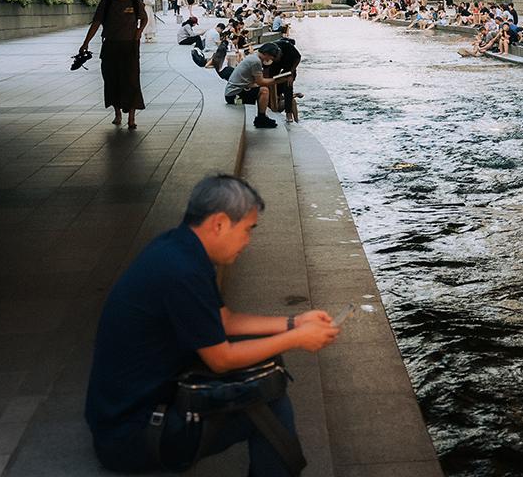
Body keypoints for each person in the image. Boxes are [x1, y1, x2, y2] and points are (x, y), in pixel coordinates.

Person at [85, 175, 339, 475]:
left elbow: (225, 320)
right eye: (246, 231)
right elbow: (221, 359)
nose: (248, 242)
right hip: (130, 436)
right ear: (219, 223)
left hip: (127, 415)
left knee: (263, 363)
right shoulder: (182, 271)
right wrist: (297, 338)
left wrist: (293, 322)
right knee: (269, 406)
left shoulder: (178, 247)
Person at [80, 0, 147, 129]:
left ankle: (131, 117)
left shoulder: (134, 1)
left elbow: (144, 18)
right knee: (112, 80)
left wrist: (139, 31)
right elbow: (96, 23)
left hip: (130, 46)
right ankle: (117, 113)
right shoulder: (106, 3)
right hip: (110, 46)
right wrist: (86, 43)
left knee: (131, 81)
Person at [225, 43, 284, 129]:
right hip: (234, 95)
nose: (271, 59)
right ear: (267, 54)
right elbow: (261, 82)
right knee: (264, 90)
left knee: (260, 89)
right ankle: (261, 118)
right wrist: (278, 80)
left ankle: (262, 117)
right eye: (271, 57)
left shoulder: (253, 57)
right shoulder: (256, 62)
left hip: (233, 92)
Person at [266, 37, 302, 123]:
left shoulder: (289, 48)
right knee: (271, 79)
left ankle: (289, 114)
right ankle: (272, 103)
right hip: (274, 66)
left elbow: (298, 58)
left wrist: (290, 73)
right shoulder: (271, 49)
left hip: (289, 66)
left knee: (288, 84)